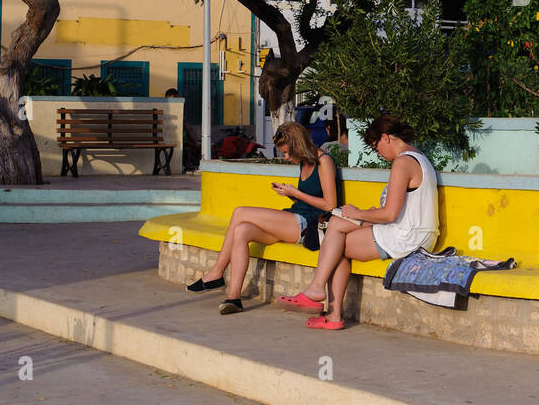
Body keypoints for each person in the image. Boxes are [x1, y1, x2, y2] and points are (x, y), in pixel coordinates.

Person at [277, 115, 438, 330]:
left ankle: (324, 301)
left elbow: (390, 214)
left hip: (408, 237)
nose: (378, 153)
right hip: (412, 230)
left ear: (385, 138)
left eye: (376, 147)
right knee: (336, 225)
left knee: (336, 243)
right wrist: (362, 214)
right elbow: (399, 210)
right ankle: (322, 300)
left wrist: (359, 213)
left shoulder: (403, 162)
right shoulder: (417, 157)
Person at [186, 121, 338, 314]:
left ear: (298, 145)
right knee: (241, 231)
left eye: (287, 152)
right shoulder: (304, 162)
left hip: (308, 224)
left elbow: (330, 204)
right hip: (293, 218)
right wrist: (289, 193)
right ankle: (234, 298)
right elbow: (309, 198)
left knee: (240, 212)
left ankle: (216, 272)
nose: (286, 157)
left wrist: (297, 193)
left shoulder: (324, 161)